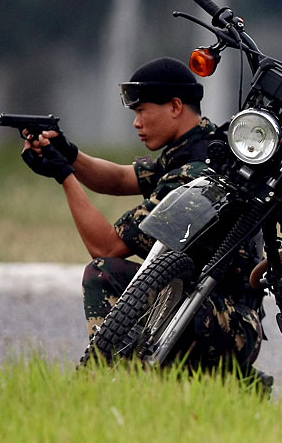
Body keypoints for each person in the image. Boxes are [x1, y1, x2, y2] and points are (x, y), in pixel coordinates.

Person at [20, 56, 265, 377]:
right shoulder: (201, 148)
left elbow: (106, 246)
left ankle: (115, 375)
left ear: (175, 106)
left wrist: (64, 175)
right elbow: (121, 178)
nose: (136, 123)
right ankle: (145, 375)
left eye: (142, 111)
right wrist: (68, 153)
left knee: (104, 272)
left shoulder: (194, 172)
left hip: (226, 324)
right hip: (218, 315)